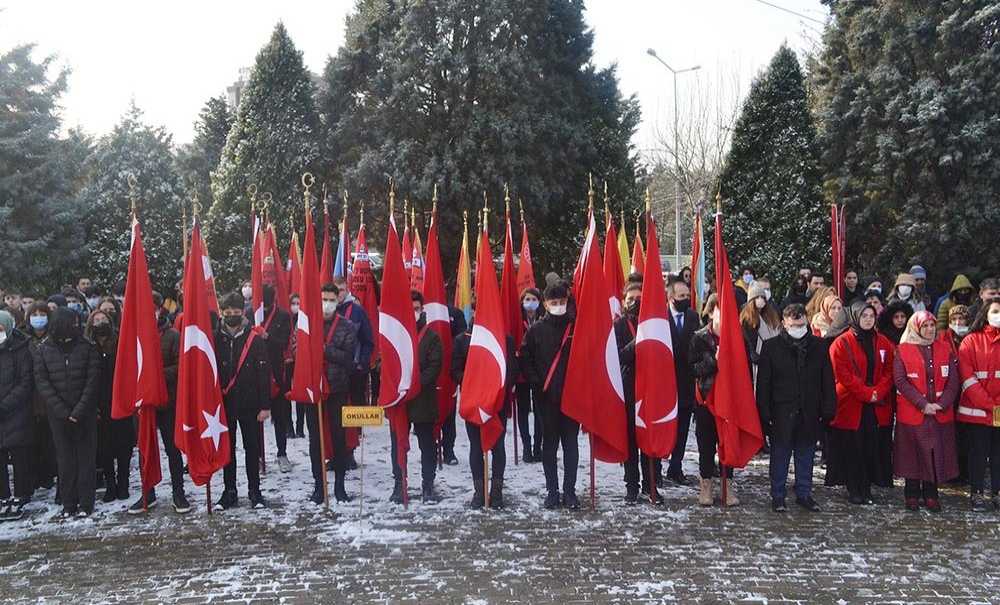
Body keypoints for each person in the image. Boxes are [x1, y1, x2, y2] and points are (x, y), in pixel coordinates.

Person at [756, 304, 835, 512]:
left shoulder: (819, 346)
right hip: (781, 411)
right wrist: (764, 413)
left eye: (801, 324)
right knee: (780, 456)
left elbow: (827, 379)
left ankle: (804, 493)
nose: (798, 328)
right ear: (784, 323)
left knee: (806, 454)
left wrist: (828, 408)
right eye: (793, 325)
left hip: (810, 410)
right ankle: (778, 495)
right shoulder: (771, 347)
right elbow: (763, 383)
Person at [33, 307, 100, 517]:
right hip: (58, 415)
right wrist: (63, 411)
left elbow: (93, 379)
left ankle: (86, 503)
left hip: (84, 413)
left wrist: (79, 410)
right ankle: (68, 503)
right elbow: (42, 382)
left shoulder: (87, 347)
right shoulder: (44, 350)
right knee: (65, 460)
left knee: (86, 459)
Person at [519, 281, 580, 509]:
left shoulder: (574, 327)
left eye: (562, 302)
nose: (558, 306)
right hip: (546, 398)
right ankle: (552, 490)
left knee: (571, 445)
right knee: (549, 445)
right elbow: (525, 357)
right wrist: (536, 382)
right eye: (554, 303)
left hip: (572, 396)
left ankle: (570, 491)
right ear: (545, 304)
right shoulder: (536, 330)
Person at [827, 301, 895, 505]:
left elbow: (889, 370)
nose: (868, 319)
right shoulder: (841, 342)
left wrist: (878, 392)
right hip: (850, 403)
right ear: (855, 317)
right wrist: (867, 393)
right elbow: (843, 374)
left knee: (870, 446)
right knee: (852, 447)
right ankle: (854, 487)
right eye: (864, 316)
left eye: (871, 316)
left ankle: (867, 487)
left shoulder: (882, 341)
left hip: (875, 404)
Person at [892, 311, 959, 512]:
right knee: (912, 453)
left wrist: (943, 403)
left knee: (934, 453)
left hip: (939, 412)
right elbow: (901, 381)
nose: (930, 330)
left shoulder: (945, 348)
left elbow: (954, 381)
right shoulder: (902, 350)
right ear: (916, 328)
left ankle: (931, 493)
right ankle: (911, 494)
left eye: (932, 326)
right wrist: (922, 403)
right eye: (925, 326)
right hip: (913, 412)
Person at [130, 293, 189, 514]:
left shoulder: (173, 335)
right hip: (144, 405)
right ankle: (148, 492)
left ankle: (178, 493)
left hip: (167, 401)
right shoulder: (134, 335)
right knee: (144, 449)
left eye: (154, 308)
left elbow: (180, 365)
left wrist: (156, 376)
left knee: (173, 449)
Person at [451, 312, 517, 508]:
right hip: (473, 402)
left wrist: (495, 384)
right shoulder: (463, 340)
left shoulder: (505, 339)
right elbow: (454, 370)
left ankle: (496, 492)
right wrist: (474, 379)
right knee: (476, 446)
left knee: (497, 446)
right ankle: (479, 492)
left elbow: (512, 369)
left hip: (497, 402)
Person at [215, 292, 271, 510]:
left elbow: (263, 373)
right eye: (227, 312)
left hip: (250, 404)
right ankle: (229, 491)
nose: (231, 316)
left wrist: (265, 405)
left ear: (242, 313)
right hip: (224, 404)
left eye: (236, 312)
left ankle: (254, 491)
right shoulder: (215, 337)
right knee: (227, 450)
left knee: (252, 448)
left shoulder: (254, 338)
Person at [388, 291, 443, 504]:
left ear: (422, 310)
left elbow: (434, 367)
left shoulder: (432, 337)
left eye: (417, 308)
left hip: (423, 400)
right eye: (409, 308)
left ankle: (428, 485)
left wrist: (414, 385)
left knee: (426, 446)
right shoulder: (396, 335)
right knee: (398, 444)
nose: (413, 312)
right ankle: (399, 484)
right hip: (400, 401)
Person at [305, 284, 358, 504]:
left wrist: (324, 350)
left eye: (331, 299)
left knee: (338, 437)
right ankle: (319, 486)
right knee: (315, 440)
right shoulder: (307, 323)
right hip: (313, 389)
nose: (326, 304)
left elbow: (348, 358)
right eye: (323, 299)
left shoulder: (347, 326)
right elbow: (298, 348)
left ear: (338, 301)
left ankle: (340, 486)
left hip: (337, 388)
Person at [614, 282, 662, 505]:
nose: (635, 302)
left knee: (649, 441)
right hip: (628, 389)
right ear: (624, 301)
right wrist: (638, 342)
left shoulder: (656, 324)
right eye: (631, 298)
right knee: (632, 442)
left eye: (640, 298)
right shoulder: (619, 325)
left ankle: (651, 486)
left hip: (652, 389)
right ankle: (631, 487)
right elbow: (618, 356)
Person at [690, 294, 739, 506]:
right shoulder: (699, 338)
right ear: (711, 312)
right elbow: (692, 369)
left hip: (730, 400)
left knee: (727, 442)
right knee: (707, 444)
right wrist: (714, 361)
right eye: (721, 310)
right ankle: (706, 485)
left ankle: (727, 484)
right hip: (706, 399)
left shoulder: (737, 337)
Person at [86, 310, 134, 503]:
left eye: (103, 319)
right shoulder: (88, 346)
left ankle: (123, 482)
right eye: (96, 320)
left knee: (124, 446)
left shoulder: (121, 342)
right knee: (104, 449)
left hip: (121, 401)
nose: (100, 323)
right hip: (99, 404)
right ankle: (111, 484)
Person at [957, 298, 1000, 511]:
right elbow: (968, 378)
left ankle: (996, 493)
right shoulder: (970, 341)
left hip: (998, 410)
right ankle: (977, 494)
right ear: (985, 313)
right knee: (978, 454)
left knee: (998, 453)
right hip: (977, 412)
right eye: (995, 311)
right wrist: (991, 405)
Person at [332, 276, 375, 468]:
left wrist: (362, 362)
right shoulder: (326, 311)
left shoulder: (357, 311)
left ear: (346, 289)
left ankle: (350, 452)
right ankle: (334, 453)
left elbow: (368, 340)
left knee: (353, 412)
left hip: (354, 371)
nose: (338, 294)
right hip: (333, 372)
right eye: (335, 290)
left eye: (341, 290)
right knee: (334, 416)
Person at [252, 285, 293, 473]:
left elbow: (284, 342)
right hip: (254, 372)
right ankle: (258, 455)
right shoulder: (251, 313)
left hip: (276, 372)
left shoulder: (283, 316)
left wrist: (266, 336)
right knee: (256, 415)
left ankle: (282, 453)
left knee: (279, 416)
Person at [665, 278, 701, 486]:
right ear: (671, 298)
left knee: (682, 429)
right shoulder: (659, 316)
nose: (685, 299)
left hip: (686, 382)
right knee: (666, 426)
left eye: (687, 296)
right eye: (681, 296)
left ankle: (675, 467)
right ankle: (657, 466)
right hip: (666, 383)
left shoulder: (692, 316)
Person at [0, 311, 33, 520]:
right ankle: (3, 496)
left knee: (19, 455)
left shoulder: (21, 348)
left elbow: (25, 381)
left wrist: (5, 405)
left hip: (16, 411)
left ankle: (21, 494)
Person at [515, 287, 544, 463]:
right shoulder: (517, 319)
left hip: (539, 372)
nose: (530, 303)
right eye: (527, 299)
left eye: (534, 299)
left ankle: (537, 446)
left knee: (540, 410)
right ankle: (526, 446)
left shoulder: (543, 319)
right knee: (523, 410)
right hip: (521, 373)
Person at [741, 283, 783, 387]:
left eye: (763, 297)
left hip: (774, 356)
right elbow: (750, 343)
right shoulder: (747, 320)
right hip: (759, 360)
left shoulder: (771, 315)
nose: (761, 300)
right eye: (757, 297)